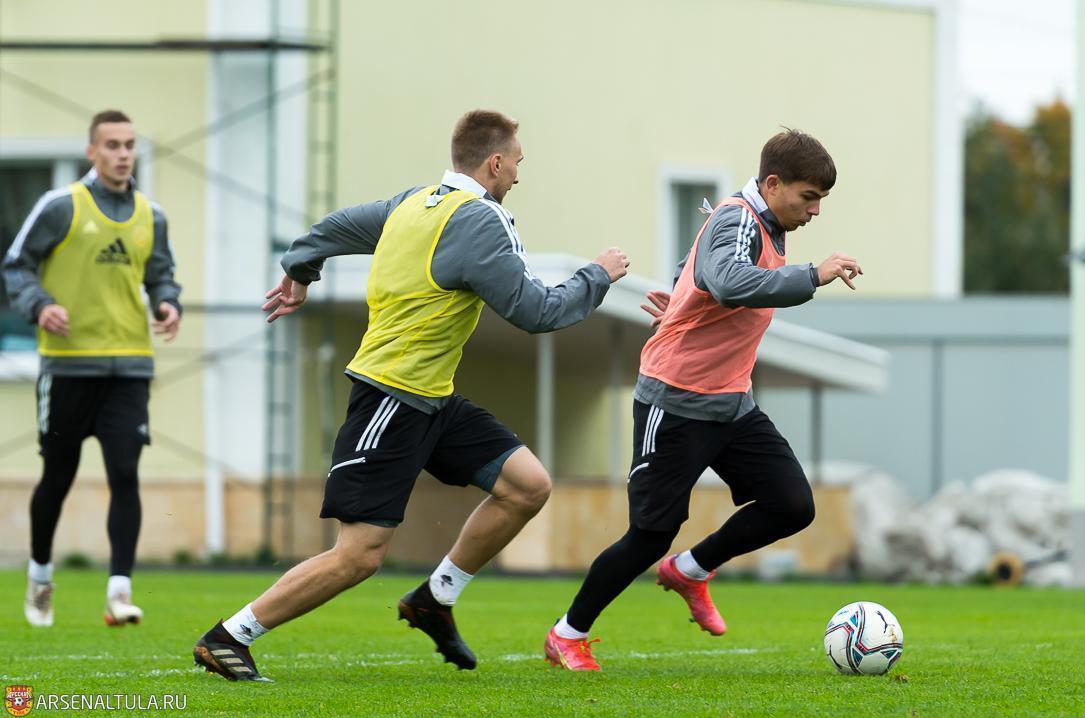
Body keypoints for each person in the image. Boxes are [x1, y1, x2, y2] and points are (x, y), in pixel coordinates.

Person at [193, 109, 630, 682]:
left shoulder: (413, 202)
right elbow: (536, 312)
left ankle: (434, 598)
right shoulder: (481, 220)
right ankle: (230, 636)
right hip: (391, 400)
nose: (519, 175)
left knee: (527, 486)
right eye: (518, 163)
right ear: (496, 162)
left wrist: (300, 269)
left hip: (433, 399)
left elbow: (334, 227)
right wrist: (598, 274)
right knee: (359, 555)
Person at [544, 129, 862, 671]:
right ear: (772, 184)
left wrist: (680, 299)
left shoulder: (766, 223)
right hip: (674, 401)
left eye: (821, 200)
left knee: (792, 504)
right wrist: (813, 275)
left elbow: (699, 269)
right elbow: (728, 280)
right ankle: (567, 633)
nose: (815, 211)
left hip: (731, 403)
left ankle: (690, 569)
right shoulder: (740, 218)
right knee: (649, 537)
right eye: (809, 197)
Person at [3, 109, 182, 629]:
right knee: (58, 476)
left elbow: (161, 275)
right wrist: (40, 305)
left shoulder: (152, 215)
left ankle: (119, 593)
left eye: (129, 145)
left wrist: (167, 302)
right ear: (92, 152)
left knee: (125, 474)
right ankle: (40, 578)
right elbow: (16, 264)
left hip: (129, 368)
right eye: (112, 145)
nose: (123, 154)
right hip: (67, 368)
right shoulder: (60, 206)